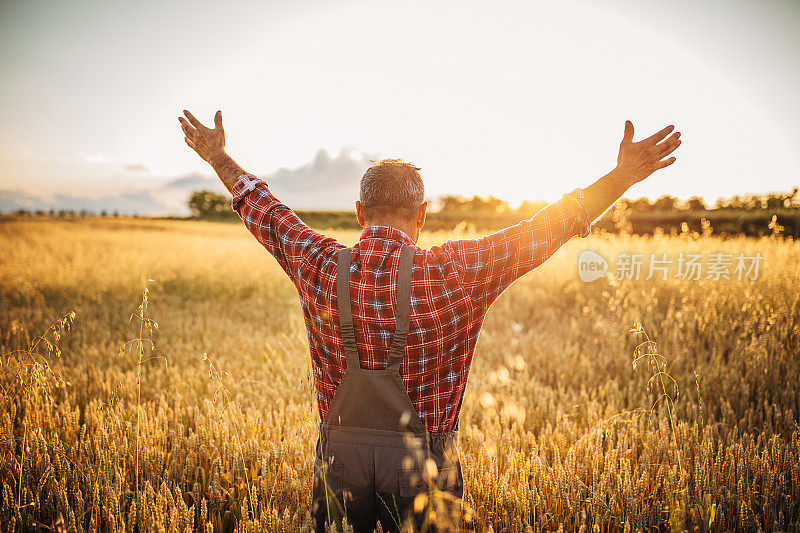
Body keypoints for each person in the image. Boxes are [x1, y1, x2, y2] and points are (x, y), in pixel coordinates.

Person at [178, 109, 681, 532]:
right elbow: (547, 228)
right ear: (422, 214)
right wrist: (622, 177)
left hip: (339, 463)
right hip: (423, 469)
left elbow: (263, 208)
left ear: (358, 212)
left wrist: (217, 156)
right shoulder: (454, 272)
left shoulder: (320, 262)